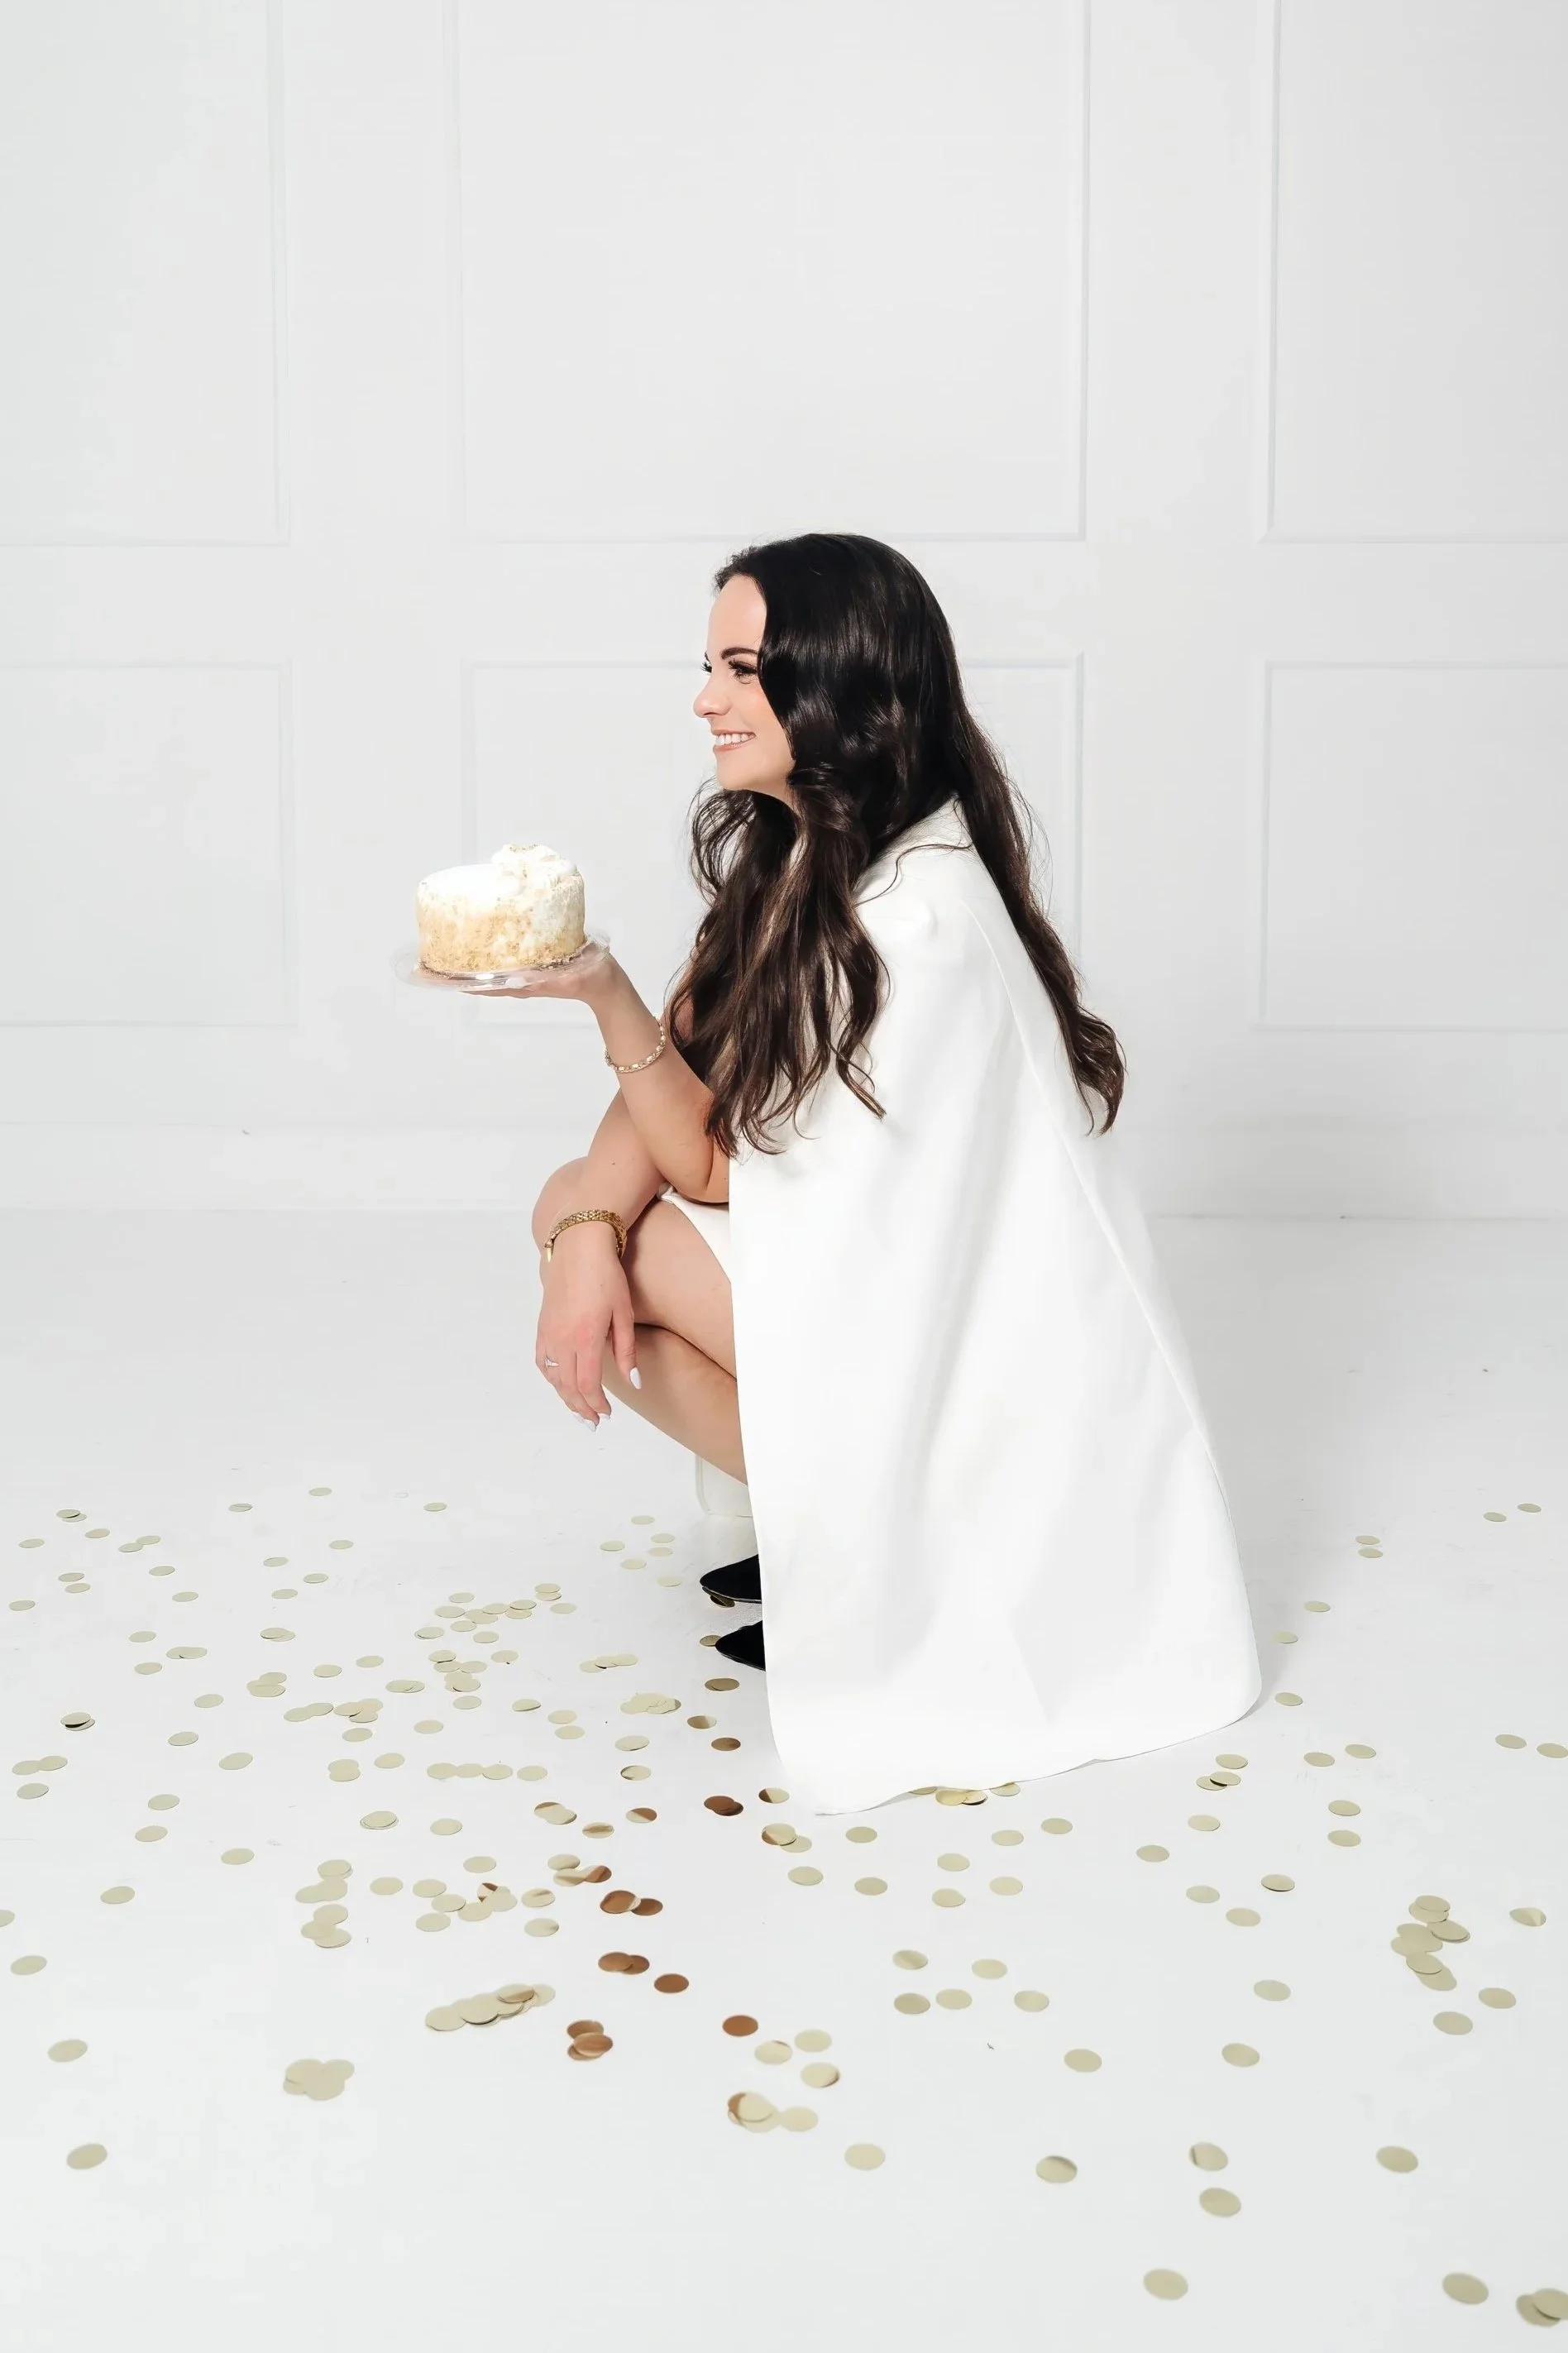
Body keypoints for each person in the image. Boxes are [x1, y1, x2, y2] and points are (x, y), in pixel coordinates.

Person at [477, 533, 1262, 1815]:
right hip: (891, 1313)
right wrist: (576, 1226)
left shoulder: (923, 919)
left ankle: (887, 1560)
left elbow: (717, 1171)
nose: (706, 700)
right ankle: (835, 1546)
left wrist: (592, 1208)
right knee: (591, 1227)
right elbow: (679, 1111)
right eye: (711, 666)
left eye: (743, 669)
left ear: (838, 688)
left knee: (632, 1246)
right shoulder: (795, 857)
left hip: (992, 1372)